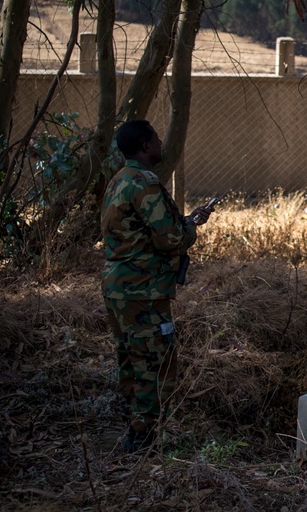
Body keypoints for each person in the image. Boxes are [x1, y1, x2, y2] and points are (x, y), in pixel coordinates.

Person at [101, 120, 214, 453]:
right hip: (144, 292)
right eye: (156, 138)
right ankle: (144, 438)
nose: (162, 142)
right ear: (146, 146)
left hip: (118, 287)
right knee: (154, 362)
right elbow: (171, 240)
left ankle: (132, 426)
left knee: (130, 358)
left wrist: (188, 219)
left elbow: (137, 232)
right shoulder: (145, 184)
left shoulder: (118, 181)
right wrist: (189, 231)